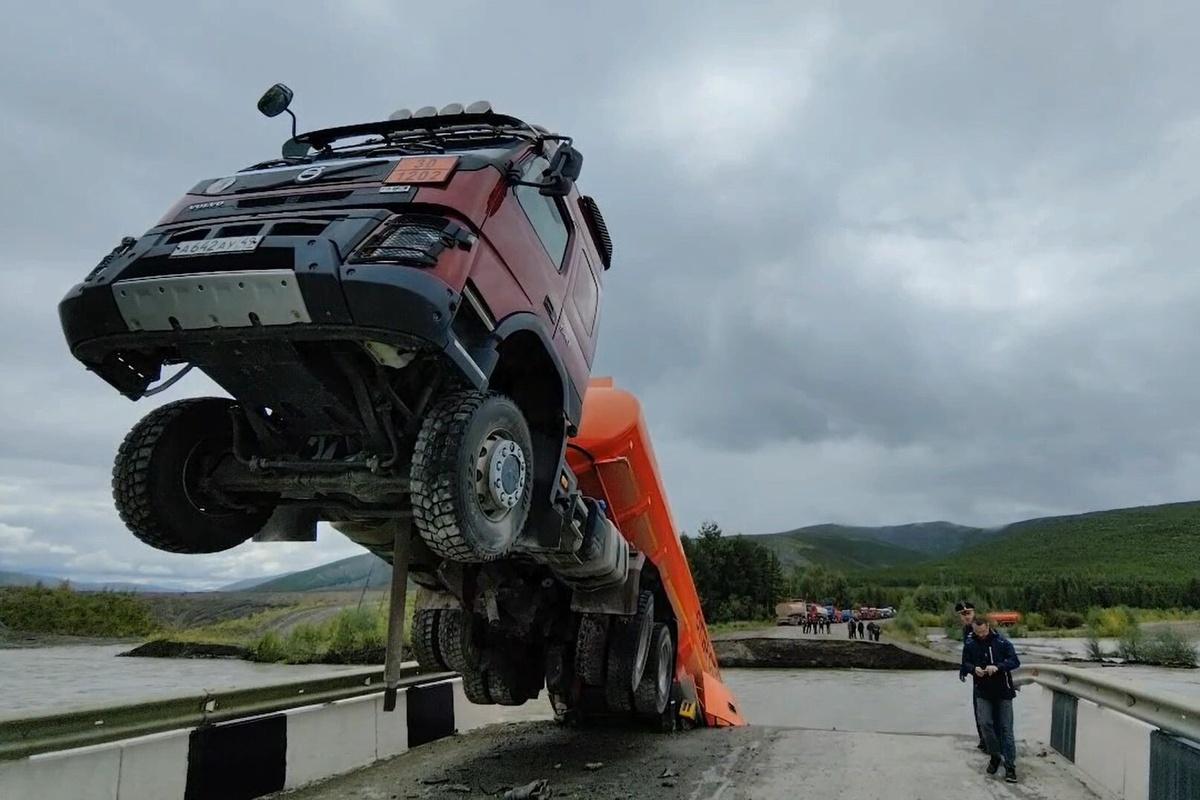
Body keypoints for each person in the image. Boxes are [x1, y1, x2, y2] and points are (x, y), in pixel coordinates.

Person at [961, 616, 1021, 784]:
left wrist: (999, 666)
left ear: (988, 627)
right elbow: (965, 664)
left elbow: (1015, 661)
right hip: (983, 691)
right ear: (973, 629)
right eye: (977, 632)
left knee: (1006, 728)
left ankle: (1010, 766)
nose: (981, 635)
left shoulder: (1002, 642)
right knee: (985, 724)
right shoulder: (970, 644)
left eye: (983, 631)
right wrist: (974, 669)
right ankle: (995, 755)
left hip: (1003, 690)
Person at [956, 601, 987, 751]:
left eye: (968, 613)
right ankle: (983, 739)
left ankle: (989, 741)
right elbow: (967, 652)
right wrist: (964, 668)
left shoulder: (979, 627)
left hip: (987, 673)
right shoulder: (966, 630)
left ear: (974, 613)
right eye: (963, 614)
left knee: (985, 709)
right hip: (976, 674)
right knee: (977, 708)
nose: (966, 616)